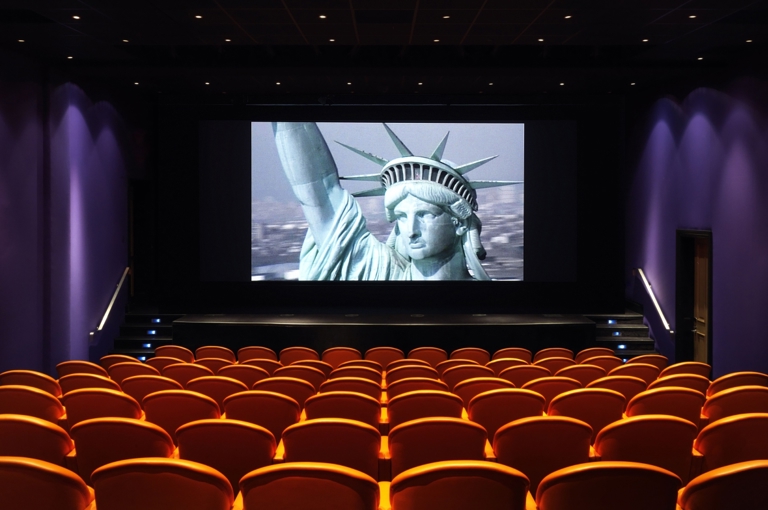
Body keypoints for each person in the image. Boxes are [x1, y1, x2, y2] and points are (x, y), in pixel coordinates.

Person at [273, 121, 513, 281]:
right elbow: (320, 191)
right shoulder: (381, 271)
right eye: (402, 217)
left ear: (458, 222)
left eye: (424, 214)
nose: (411, 231)